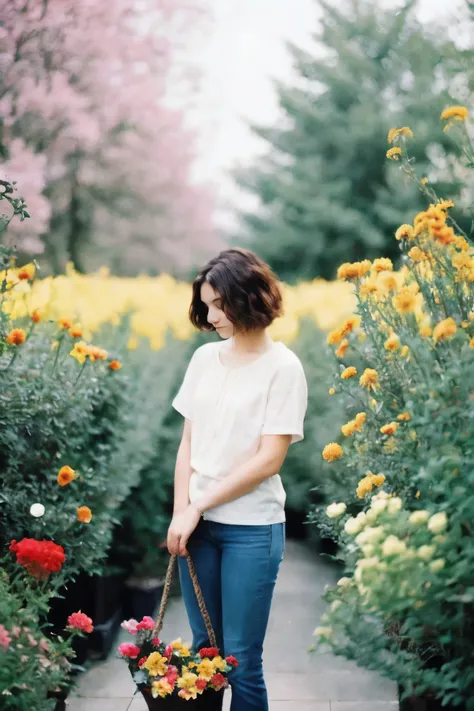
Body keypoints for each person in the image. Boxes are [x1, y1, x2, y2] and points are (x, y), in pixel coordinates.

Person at [167, 247, 308, 711]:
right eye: (204, 305)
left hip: (251, 528)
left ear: (248, 297)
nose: (209, 316)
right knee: (204, 651)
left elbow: (270, 460)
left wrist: (198, 505)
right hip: (197, 528)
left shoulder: (284, 368)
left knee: (241, 658)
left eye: (217, 304)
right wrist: (180, 514)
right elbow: (188, 444)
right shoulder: (204, 361)